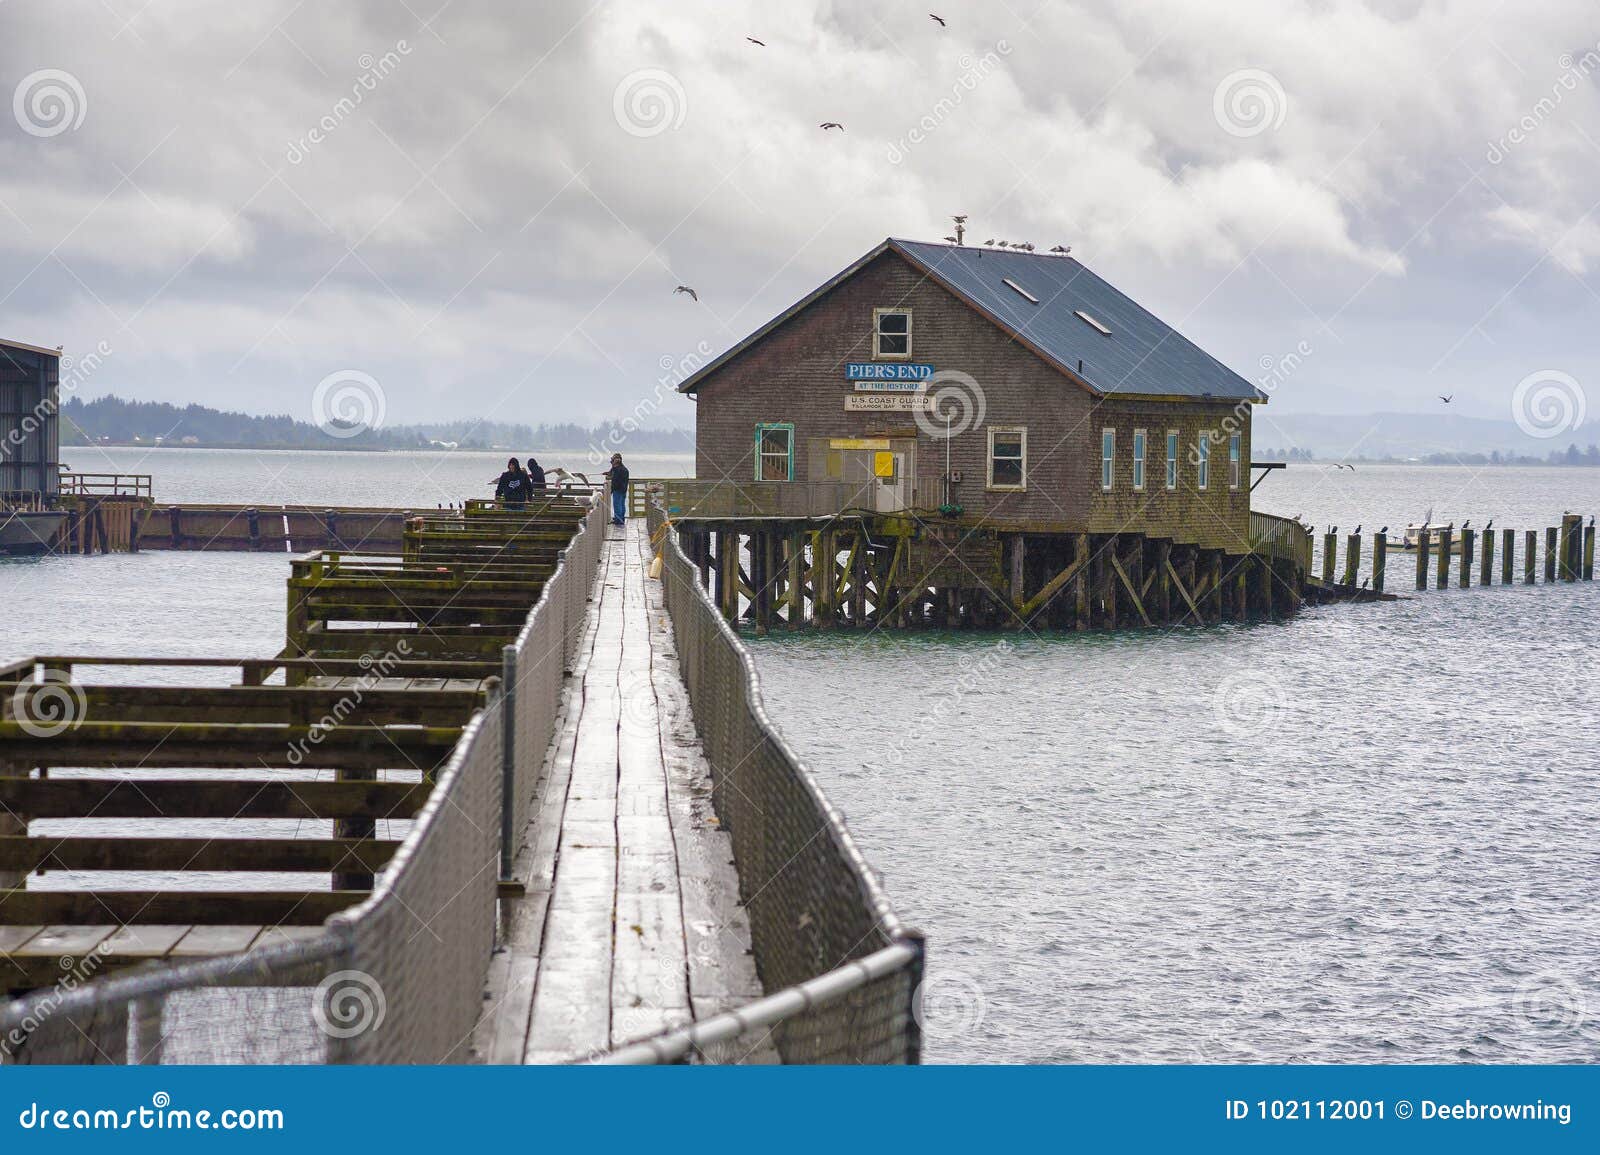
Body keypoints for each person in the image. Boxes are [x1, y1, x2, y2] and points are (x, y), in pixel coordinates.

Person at [602, 453, 629, 526]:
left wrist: (608, 478)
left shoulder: (618, 469)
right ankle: (621, 518)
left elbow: (615, 479)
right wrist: (607, 473)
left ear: (616, 461)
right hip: (624, 489)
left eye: (612, 460)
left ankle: (618, 520)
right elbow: (612, 472)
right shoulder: (623, 468)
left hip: (618, 490)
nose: (611, 462)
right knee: (622, 505)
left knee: (617, 505)